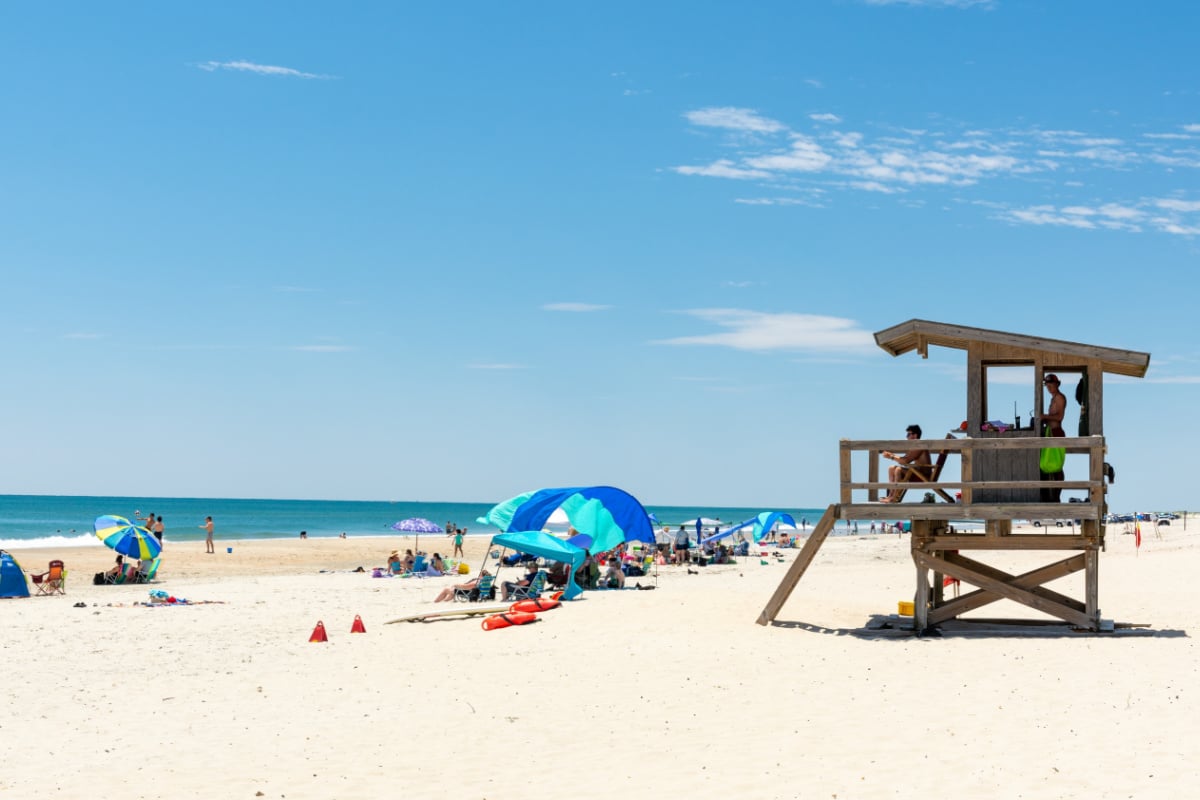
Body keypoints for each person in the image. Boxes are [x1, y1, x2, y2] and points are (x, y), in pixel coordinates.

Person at [880, 424, 932, 502]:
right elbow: (904, 459)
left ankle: (894, 497)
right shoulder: (915, 445)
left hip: (923, 475)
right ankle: (890, 495)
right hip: (917, 472)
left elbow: (906, 461)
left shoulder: (919, 445)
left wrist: (891, 456)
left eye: (908, 434)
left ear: (915, 435)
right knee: (891, 468)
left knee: (898, 470)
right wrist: (892, 455)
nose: (906, 437)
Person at [1041, 373, 1067, 502]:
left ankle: (1057, 495)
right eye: (1047, 385)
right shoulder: (1053, 398)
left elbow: (1059, 417)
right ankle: (1051, 495)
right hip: (1050, 432)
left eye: (1051, 385)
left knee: (1057, 466)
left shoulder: (1060, 398)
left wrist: (1044, 417)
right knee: (1048, 464)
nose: (1049, 388)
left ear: (1057, 384)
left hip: (1057, 432)